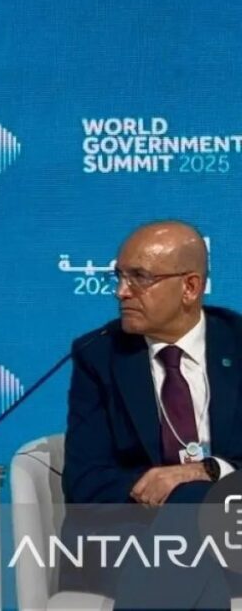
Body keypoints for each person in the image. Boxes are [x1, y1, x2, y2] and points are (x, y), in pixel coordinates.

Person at [62, 220, 242, 608]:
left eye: (140, 278)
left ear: (190, 287)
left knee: (195, 506)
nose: (121, 291)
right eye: (119, 276)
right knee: (188, 546)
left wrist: (206, 472)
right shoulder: (100, 355)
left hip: (233, 530)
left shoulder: (238, 344)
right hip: (129, 534)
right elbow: (85, 482)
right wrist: (165, 491)